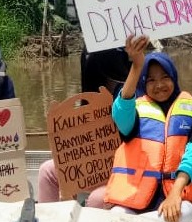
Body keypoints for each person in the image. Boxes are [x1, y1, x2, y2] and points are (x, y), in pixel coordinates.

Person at [105, 34, 192, 222]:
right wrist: (137, 66)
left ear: (174, 78)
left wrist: (175, 193)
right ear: (144, 83)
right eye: (151, 80)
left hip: (177, 193)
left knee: (184, 212)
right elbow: (120, 114)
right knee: (117, 216)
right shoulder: (136, 110)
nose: (159, 85)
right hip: (135, 197)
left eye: (165, 77)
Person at [36, 45, 131, 206]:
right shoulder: (89, 98)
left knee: (96, 199)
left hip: (124, 167)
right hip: (94, 165)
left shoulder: (130, 94)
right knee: (47, 171)